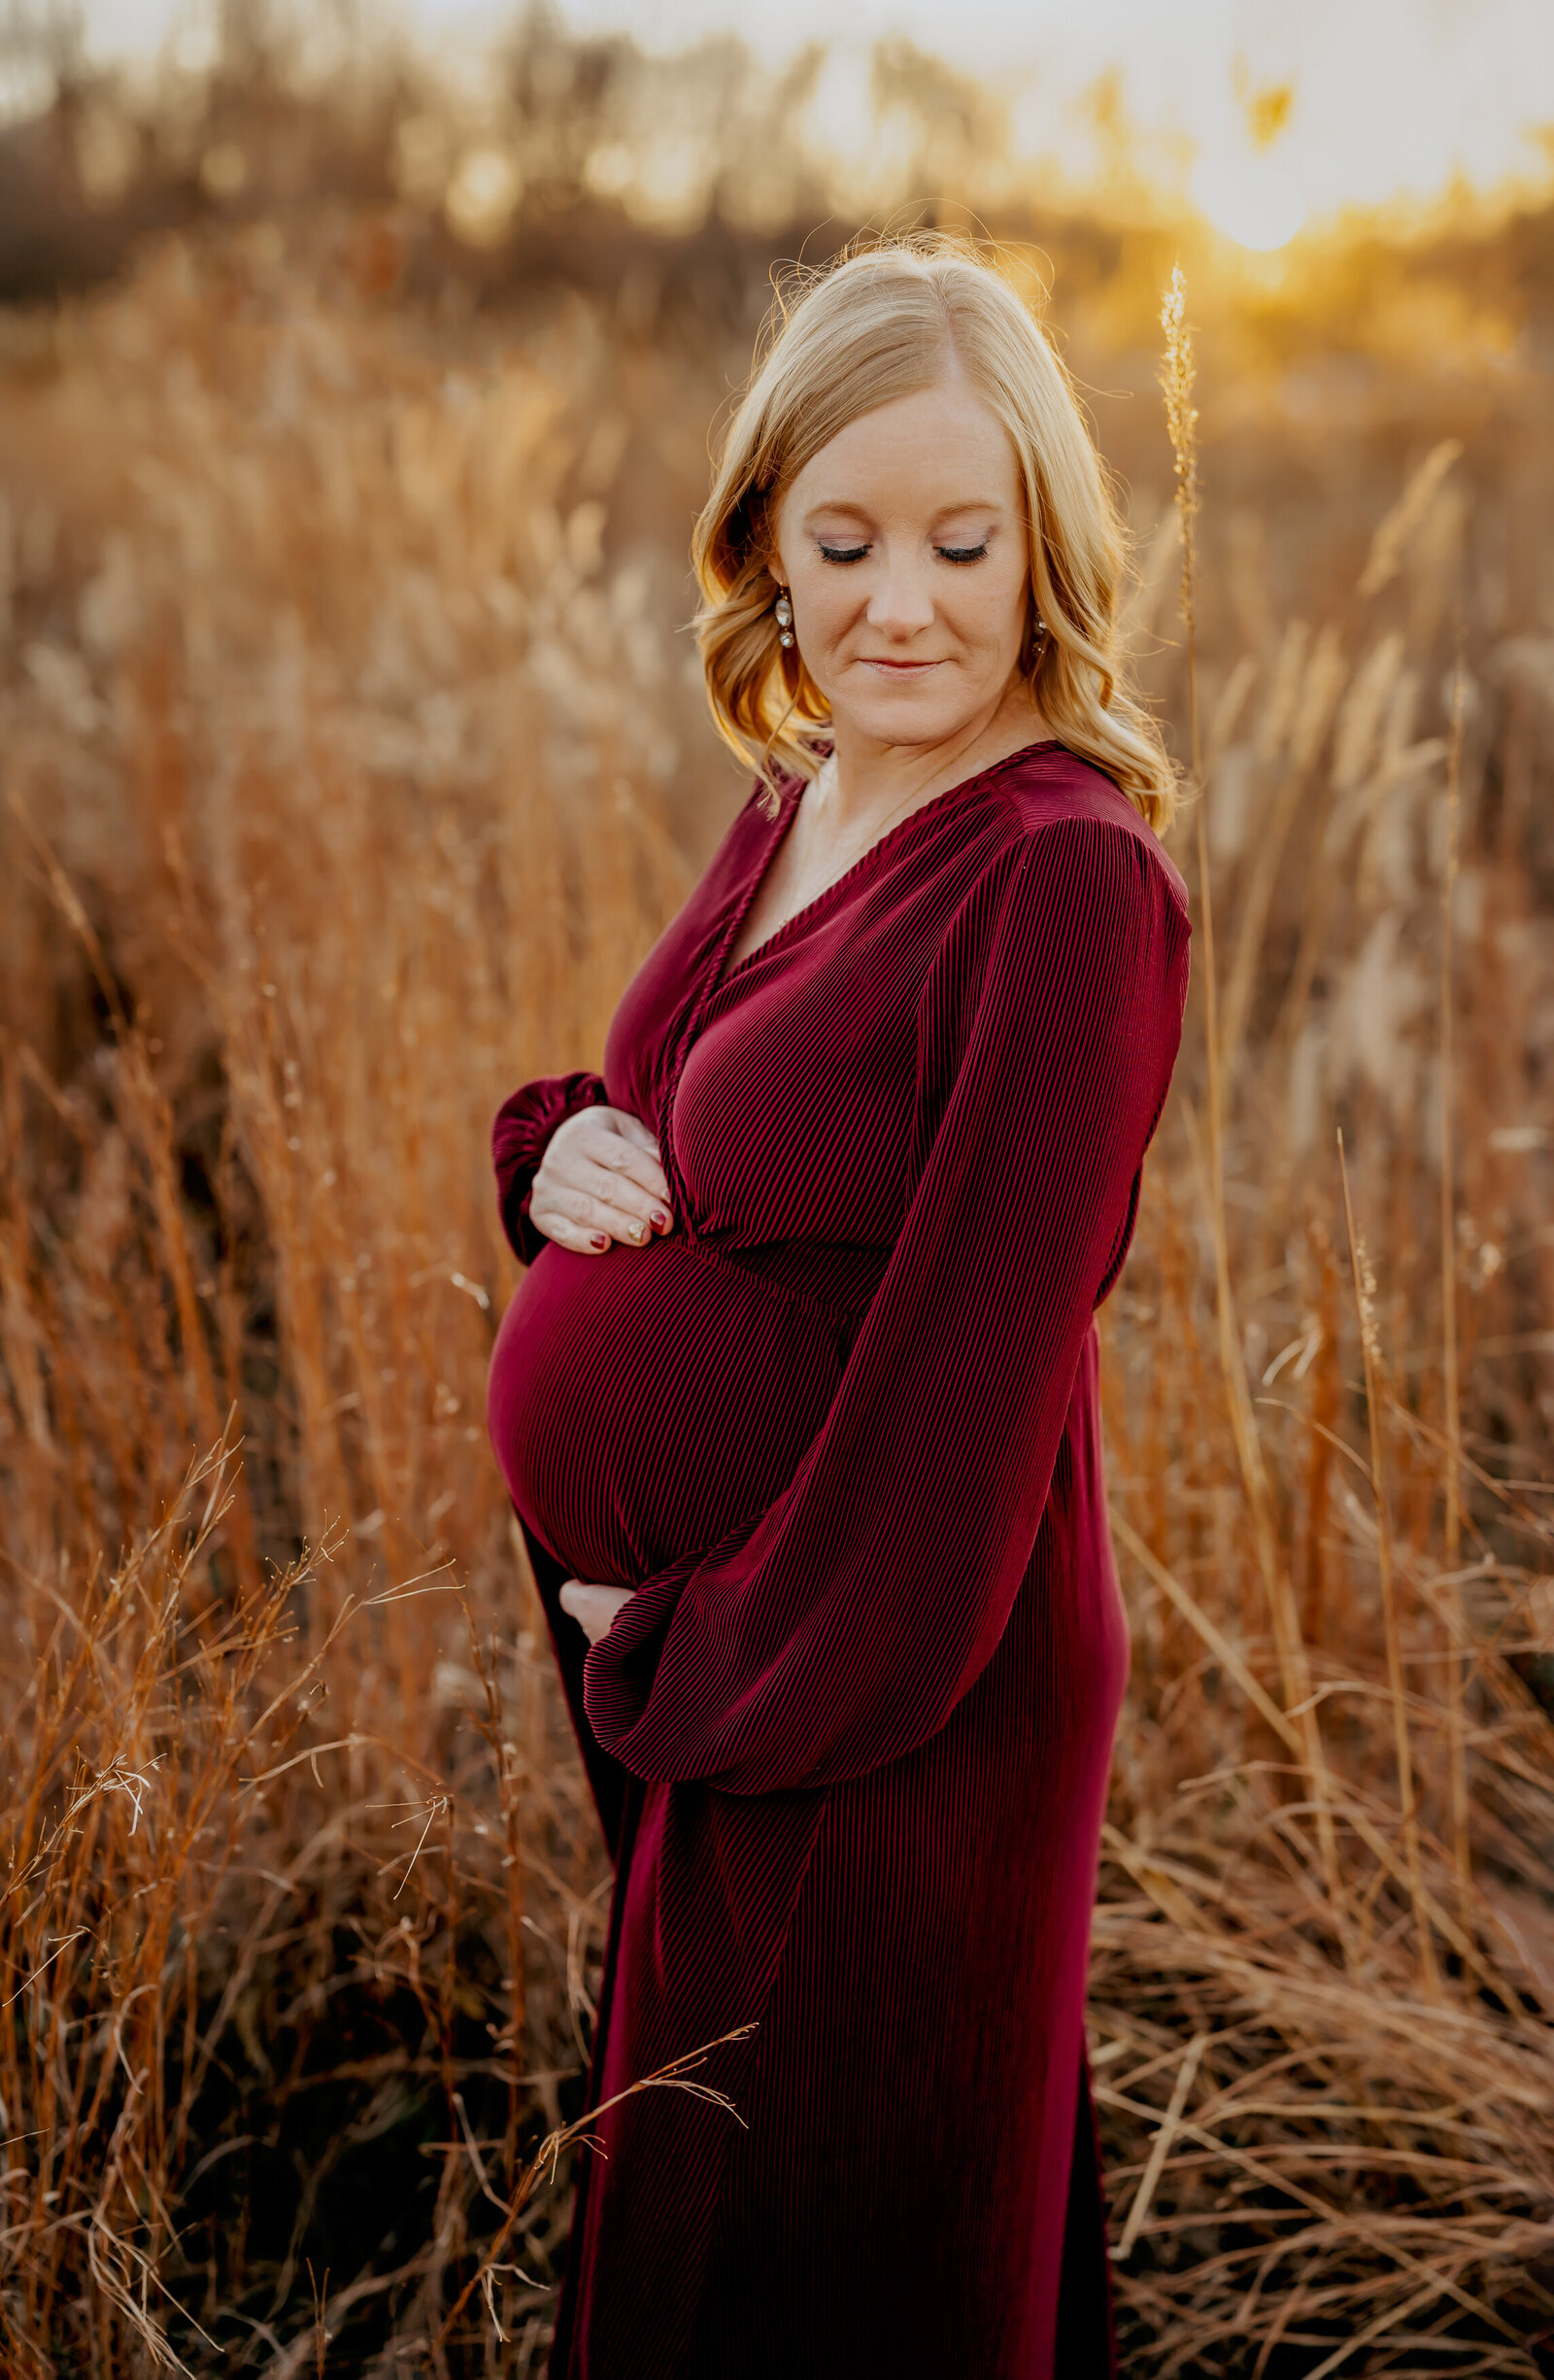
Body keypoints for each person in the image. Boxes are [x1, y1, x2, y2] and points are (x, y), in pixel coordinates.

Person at [486, 234, 1190, 2380]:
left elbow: (970, 1393)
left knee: (830, 2259)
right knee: (759, 2229)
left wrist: (699, 1664)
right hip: (748, 1663)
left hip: (887, 1685)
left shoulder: (1062, 877)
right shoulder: (805, 797)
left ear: (1040, 548)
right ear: (766, 552)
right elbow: (690, 1105)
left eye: (960, 542)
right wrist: (549, 1150)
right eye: (845, 539)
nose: (902, 601)